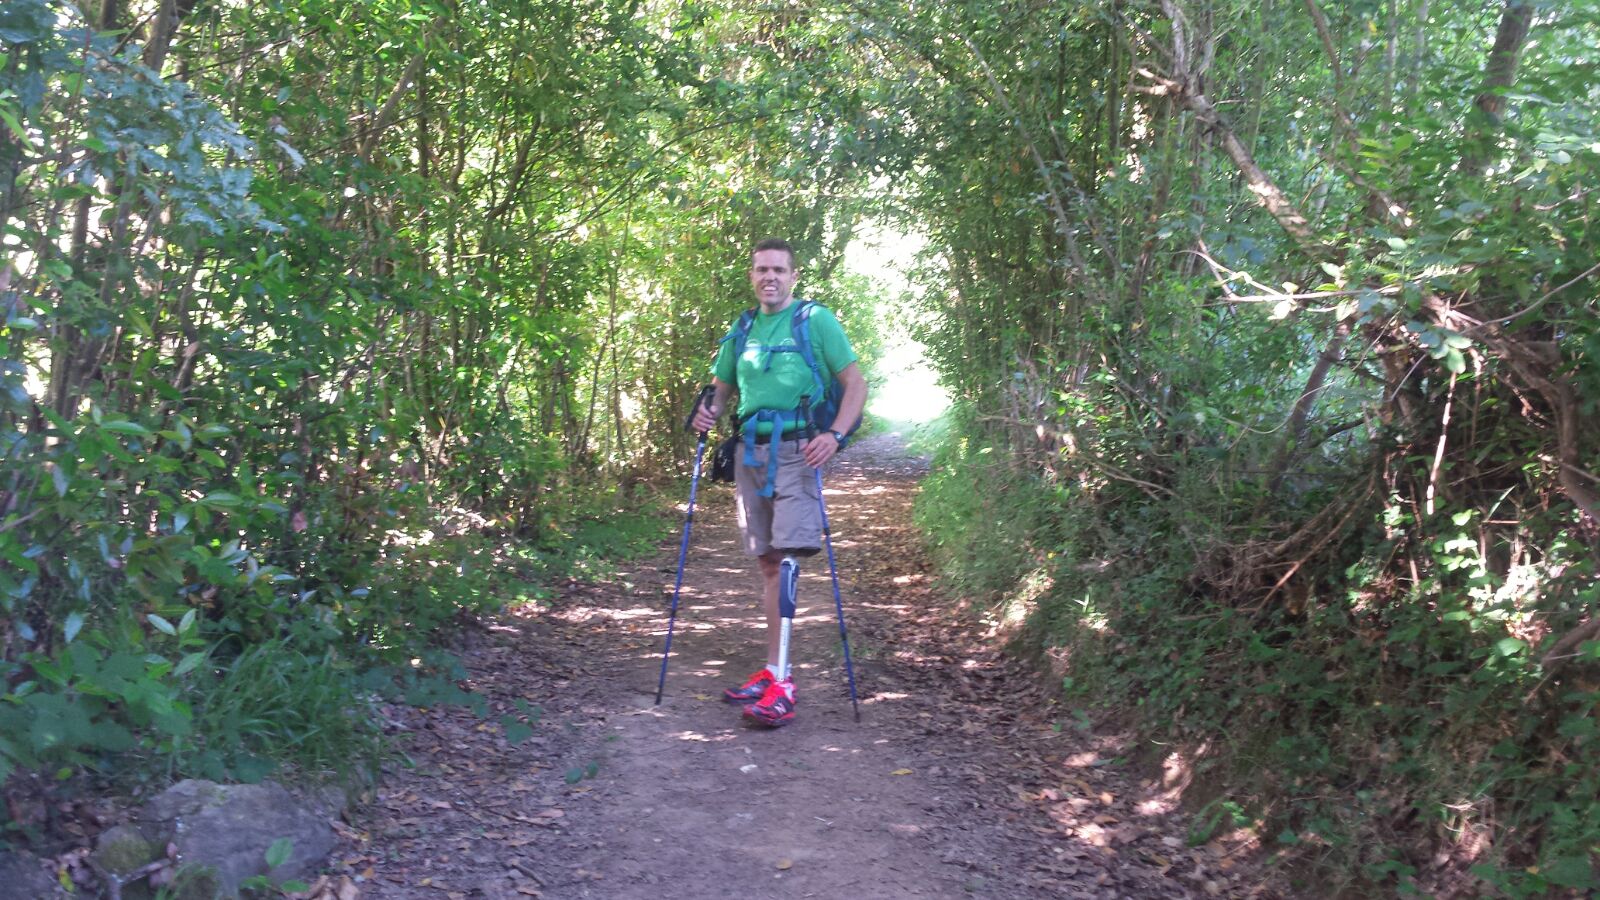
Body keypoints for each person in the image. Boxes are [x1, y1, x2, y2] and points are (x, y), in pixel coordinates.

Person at [690, 238, 868, 728]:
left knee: (789, 560)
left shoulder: (816, 321)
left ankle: (785, 685)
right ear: (751, 276)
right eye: (761, 269)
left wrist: (835, 435)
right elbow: (723, 389)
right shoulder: (742, 328)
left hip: (797, 452)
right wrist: (709, 413)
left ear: (793, 275)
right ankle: (773, 669)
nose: (769, 277)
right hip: (749, 452)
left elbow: (855, 383)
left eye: (778, 270)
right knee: (769, 563)